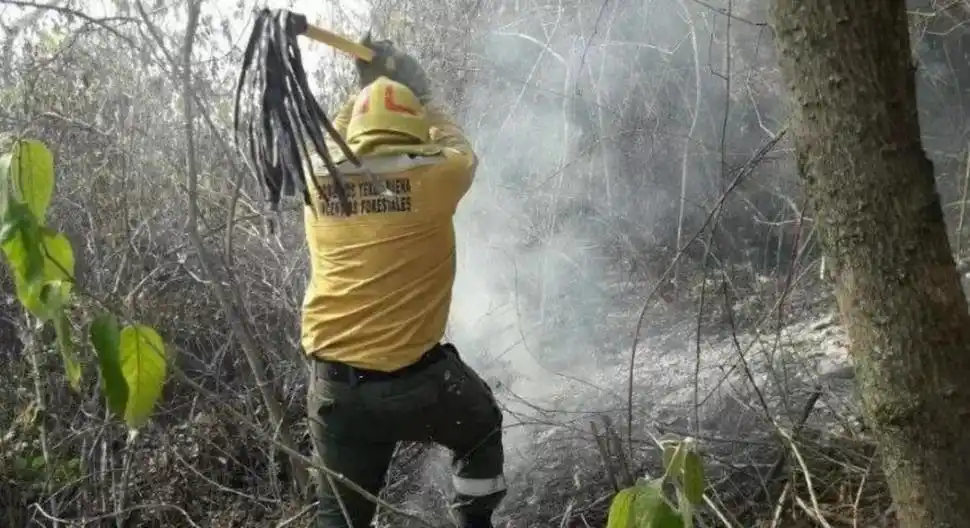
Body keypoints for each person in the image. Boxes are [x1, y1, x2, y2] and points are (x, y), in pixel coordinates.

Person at [300, 42, 507, 528]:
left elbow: (329, 139)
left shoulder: (316, 180)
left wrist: (364, 90)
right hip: (416, 385)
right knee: (481, 428)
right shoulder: (436, 177)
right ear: (415, 134)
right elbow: (461, 150)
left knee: (339, 517)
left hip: (335, 390)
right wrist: (424, 94)